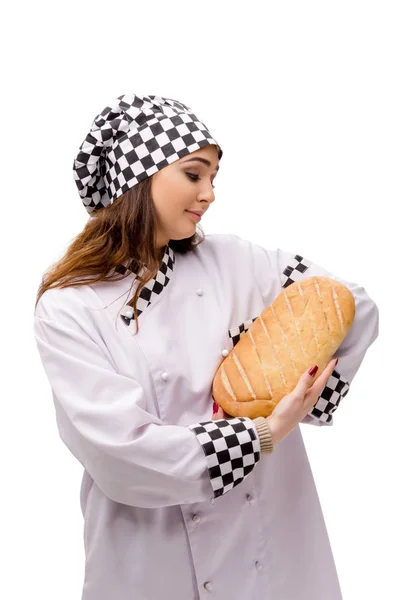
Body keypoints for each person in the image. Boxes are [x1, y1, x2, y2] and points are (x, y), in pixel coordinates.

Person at [33, 93, 379, 600]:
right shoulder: (69, 307)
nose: (210, 193)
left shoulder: (238, 263)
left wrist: (288, 379)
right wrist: (262, 432)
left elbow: (352, 305)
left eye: (214, 178)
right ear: (137, 177)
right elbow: (122, 454)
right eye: (194, 175)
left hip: (271, 552)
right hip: (151, 561)